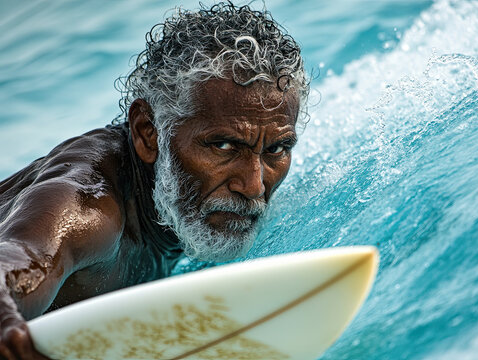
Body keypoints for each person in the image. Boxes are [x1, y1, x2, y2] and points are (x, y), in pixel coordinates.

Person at [0, 3, 309, 358]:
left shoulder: (180, 204)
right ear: (149, 133)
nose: (254, 187)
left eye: (276, 149)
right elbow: (18, 258)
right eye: (224, 145)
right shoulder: (89, 209)